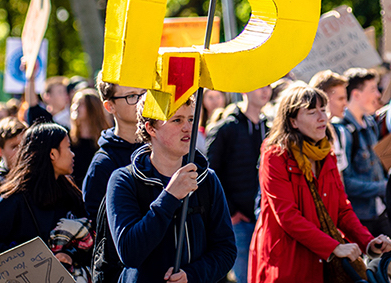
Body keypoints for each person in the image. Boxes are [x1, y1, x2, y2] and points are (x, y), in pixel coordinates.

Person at [249, 85, 391, 283]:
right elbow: (287, 215)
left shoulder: (327, 153)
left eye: (323, 110)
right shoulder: (275, 155)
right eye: (311, 112)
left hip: (325, 263)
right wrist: (333, 246)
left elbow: (342, 209)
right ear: (293, 121)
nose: (322, 117)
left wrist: (369, 242)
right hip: (287, 263)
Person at [106, 95, 236, 283]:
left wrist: (191, 275)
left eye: (191, 119)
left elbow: (226, 249)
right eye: (177, 120)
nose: (187, 128)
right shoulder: (124, 180)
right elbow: (129, 253)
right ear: (150, 128)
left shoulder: (207, 179)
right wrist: (169, 197)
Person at [0, 123, 92, 278]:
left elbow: (90, 240)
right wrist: (29, 256)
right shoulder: (16, 197)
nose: (73, 154)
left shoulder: (71, 194)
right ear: (52, 154)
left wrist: (70, 256)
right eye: (68, 147)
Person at [206, 84, 271, 283]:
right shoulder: (226, 128)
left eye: (268, 86)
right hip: (238, 220)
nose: (265, 91)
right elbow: (210, 174)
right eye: (259, 86)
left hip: (264, 218)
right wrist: (231, 211)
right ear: (244, 90)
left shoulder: (270, 128)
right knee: (245, 278)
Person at [82, 72, 145, 221]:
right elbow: (97, 222)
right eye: (131, 96)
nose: (141, 101)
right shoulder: (103, 164)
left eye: (144, 94)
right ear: (110, 106)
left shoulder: (160, 146)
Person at [339, 68, 391, 237]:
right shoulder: (343, 131)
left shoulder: (370, 124)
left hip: (380, 211)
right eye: (372, 89)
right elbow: (344, 182)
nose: (378, 95)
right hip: (360, 216)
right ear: (356, 94)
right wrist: (381, 187)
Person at [69, 89, 112, 187]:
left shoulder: (106, 141)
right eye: (74, 103)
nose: (75, 107)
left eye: (81, 104)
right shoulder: (68, 140)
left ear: (93, 108)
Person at [308, 70, 349, 172]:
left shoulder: (340, 132)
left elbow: (340, 176)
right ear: (322, 100)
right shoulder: (308, 136)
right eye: (340, 99)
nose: (345, 104)